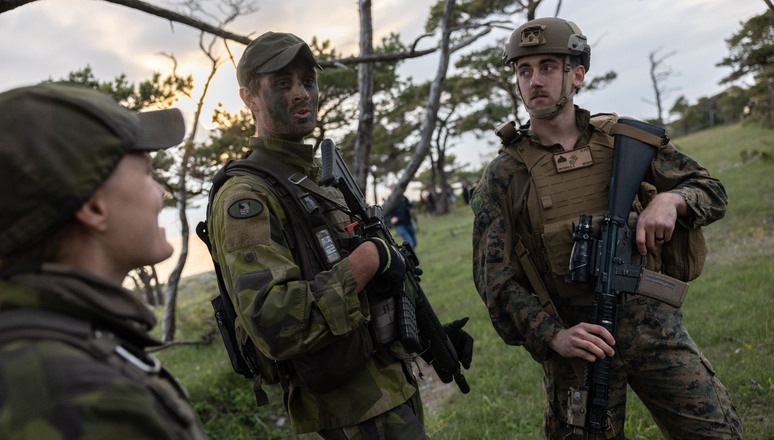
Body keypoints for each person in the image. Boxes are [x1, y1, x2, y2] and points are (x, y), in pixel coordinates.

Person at [471, 17, 742, 440]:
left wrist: (672, 200)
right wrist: (554, 336)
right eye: (524, 71)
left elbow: (711, 190)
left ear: (576, 75)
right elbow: (495, 283)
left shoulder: (624, 142)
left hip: (655, 327)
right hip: (579, 350)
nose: (534, 80)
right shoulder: (504, 176)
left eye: (548, 67)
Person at [204, 31, 471, 439]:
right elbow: (273, 321)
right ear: (248, 97)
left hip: (389, 389)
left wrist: (423, 334)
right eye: (282, 83)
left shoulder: (316, 180)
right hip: (344, 419)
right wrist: (366, 260)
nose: (301, 94)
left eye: (308, 81)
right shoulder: (247, 199)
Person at [0, 82, 208, 439]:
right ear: (94, 207)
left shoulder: (54, 347)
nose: (163, 192)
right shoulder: (85, 399)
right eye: (146, 172)